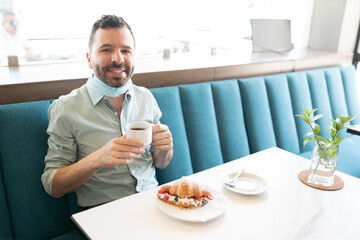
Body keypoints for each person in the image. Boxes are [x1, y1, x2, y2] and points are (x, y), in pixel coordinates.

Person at [41, 15, 173, 208]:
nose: (118, 59)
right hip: (104, 214)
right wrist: (97, 160)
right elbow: (52, 184)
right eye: (106, 49)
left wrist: (165, 149)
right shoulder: (66, 109)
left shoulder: (146, 98)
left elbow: (161, 163)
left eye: (125, 50)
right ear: (89, 58)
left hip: (153, 203)